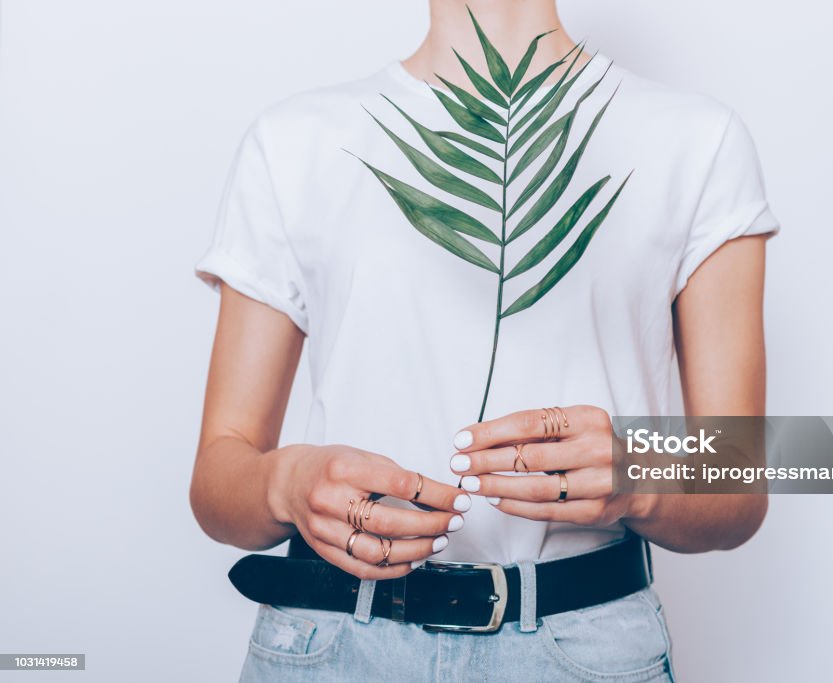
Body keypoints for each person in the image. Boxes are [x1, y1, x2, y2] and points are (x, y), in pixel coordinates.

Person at [190, 1, 779, 680]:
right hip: (337, 643)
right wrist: (286, 485)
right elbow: (217, 477)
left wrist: (637, 476)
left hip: (579, 648)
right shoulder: (294, 141)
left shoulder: (697, 141)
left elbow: (739, 485)